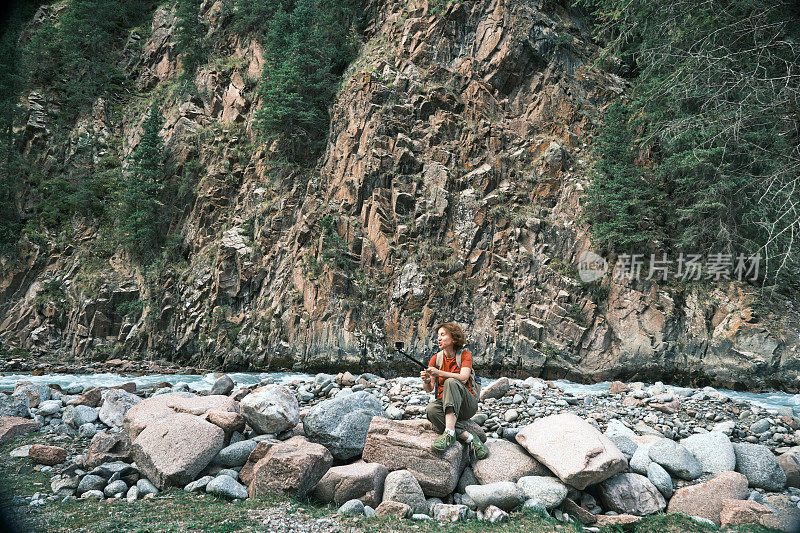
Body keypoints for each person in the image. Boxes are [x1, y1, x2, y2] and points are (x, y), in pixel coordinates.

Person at [421, 322, 488, 459]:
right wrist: (427, 381)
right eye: (438, 336)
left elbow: (463, 378)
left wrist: (439, 373)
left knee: (451, 382)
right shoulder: (436, 358)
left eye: (443, 335)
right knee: (431, 410)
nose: (439, 339)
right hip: (446, 404)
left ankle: (449, 433)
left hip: (466, 405)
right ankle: (469, 437)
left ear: (454, 338)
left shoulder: (465, 354)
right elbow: (429, 389)